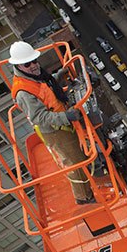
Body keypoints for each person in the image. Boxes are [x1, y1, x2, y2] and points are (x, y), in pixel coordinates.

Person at [8, 41, 95, 205]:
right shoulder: (23, 92)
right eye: (28, 64)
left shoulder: (36, 76)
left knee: (81, 152)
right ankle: (84, 198)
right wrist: (66, 117)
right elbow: (39, 117)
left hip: (60, 120)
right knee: (76, 162)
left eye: (34, 61)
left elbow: (45, 88)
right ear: (19, 66)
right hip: (55, 130)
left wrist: (58, 76)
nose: (33, 65)